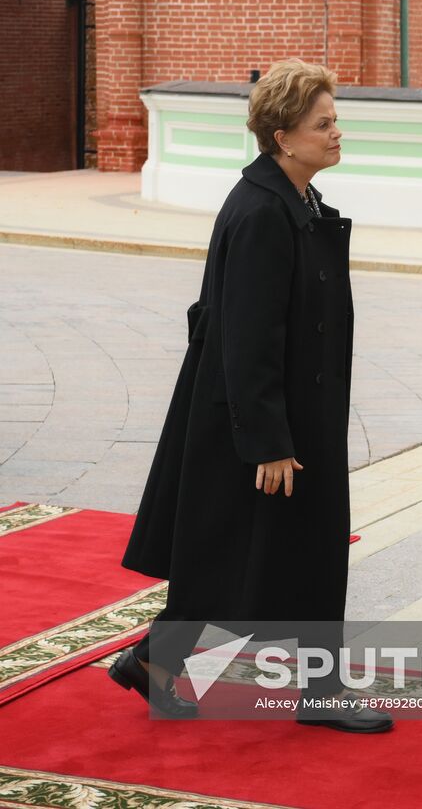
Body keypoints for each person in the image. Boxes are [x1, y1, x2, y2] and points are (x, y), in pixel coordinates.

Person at [108, 58, 393, 733]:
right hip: (260, 422)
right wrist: (267, 441)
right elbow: (247, 334)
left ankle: (159, 663)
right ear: (283, 135)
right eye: (323, 123)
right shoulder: (265, 211)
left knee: (270, 556)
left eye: (335, 120)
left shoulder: (295, 199)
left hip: (284, 415)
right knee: (243, 558)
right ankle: (296, 690)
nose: (336, 133)